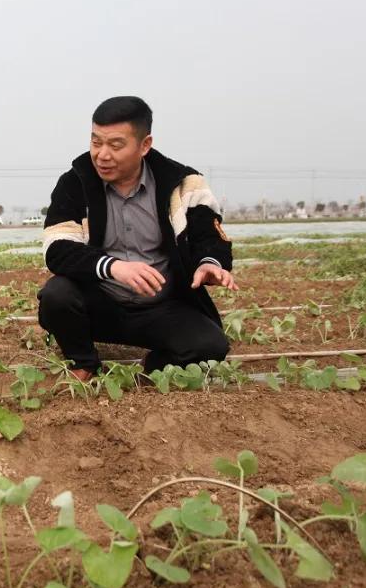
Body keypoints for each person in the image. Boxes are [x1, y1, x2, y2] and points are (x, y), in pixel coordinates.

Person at [38, 96, 236, 378]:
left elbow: (209, 234)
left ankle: (152, 369)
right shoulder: (75, 182)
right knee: (57, 295)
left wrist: (209, 262)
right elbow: (57, 250)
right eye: (96, 142)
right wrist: (113, 267)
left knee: (211, 347)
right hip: (100, 305)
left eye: (115, 145)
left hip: (163, 309)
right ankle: (83, 362)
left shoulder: (184, 184)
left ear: (145, 145)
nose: (102, 154)